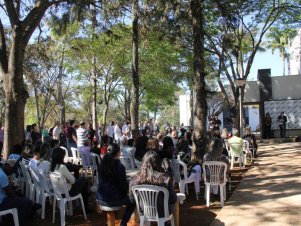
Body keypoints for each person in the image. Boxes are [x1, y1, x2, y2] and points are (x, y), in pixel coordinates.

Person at [129, 151, 177, 218]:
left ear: (143, 163)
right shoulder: (165, 179)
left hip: (144, 211)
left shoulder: (134, 180)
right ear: (158, 163)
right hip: (163, 212)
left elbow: (132, 200)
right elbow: (173, 199)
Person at [96, 143, 135, 226]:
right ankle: (123, 223)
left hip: (101, 197)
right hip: (113, 198)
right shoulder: (120, 166)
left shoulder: (102, 165)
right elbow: (123, 186)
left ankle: (110, 222)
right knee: (133, 201)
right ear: (117, 153)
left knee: (116, 195)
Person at [50, 147, 91, 213]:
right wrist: (70, 179)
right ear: (61, 157)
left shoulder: (52, 167)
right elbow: (73, 181)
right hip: (67, 192)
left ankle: (83, 196)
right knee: (84, 179)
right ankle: (86, 208)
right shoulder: (62, 167)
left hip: (58, 192)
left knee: (80, 181)